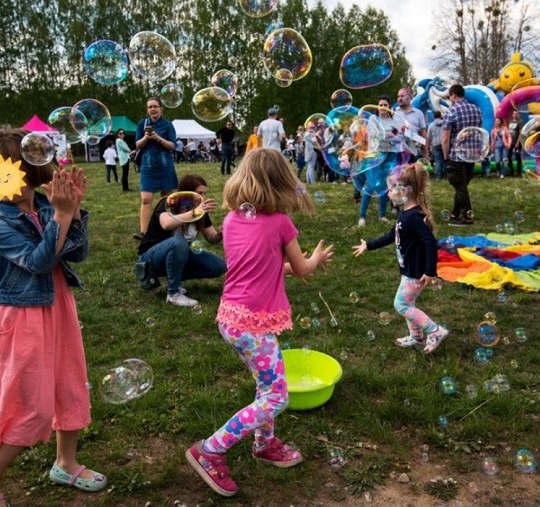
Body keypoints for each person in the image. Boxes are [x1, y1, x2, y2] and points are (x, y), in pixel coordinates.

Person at [0, 127, 105, 507]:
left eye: (3, 167)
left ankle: (66, 462)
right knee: (30, 403)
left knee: (69, 384)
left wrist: (71, 210)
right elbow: (39, 263)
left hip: (58, 305)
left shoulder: (44, 206)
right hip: (22, 315)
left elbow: (76, 254)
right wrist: (62, 213)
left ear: (30, 167)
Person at [185, 148, 334, 497]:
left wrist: (286, 268)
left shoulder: (232, 220)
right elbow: (302, 269)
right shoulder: (282, 223)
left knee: (267, 386)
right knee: (277, 397)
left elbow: (253, 264)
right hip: (254, 324)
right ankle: (210, 449)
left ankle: (264, 443)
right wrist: (315, 259)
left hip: (232, 318)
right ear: (282, 183)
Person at [352, 163, 449, 351]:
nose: (387, 193)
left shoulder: (413, 217)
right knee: (408, 303)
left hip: (417, 271)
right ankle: (417, 338)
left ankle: (434, 330)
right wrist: (368, 245)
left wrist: (430, 271)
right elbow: (391, 235)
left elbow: (430, 242)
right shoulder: (405, 214)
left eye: (391, 189)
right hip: (409, 268)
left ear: (405, 191)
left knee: (401, 304)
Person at [137, 174, 226, 307]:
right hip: (150, 258)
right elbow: (166, 224)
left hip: (177, 253)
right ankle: (173, 293)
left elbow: (212, 238)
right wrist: (195, 212)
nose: (203, 198)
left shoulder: (199, 210)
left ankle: (175, 279)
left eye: (204, 193)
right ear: (187, 193)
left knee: (219, 266)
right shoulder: (168, 203)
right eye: (199, 193)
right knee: (179, 242)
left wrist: (223, 232)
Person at [135, 97, 178, 241]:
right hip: (147, 165)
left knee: (166, 198)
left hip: (165, 164)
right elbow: (138, 145)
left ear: (161, 108)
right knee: (146, 199)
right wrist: (147, 137)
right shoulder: (142, 124)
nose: (153, 109)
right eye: (150, 107)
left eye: (155, 106)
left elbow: (172, 146)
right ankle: (144, 232)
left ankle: (167, 228)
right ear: (147, 110)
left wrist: (158, 138)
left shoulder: (168, 125)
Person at [441, 84, 483, 226]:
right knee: (462, 185)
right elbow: (479, 131)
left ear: (453, 95)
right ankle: (454, 213)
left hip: (457, 155)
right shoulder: (476, 109)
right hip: (472, 155)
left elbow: (445, 138)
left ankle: (467, 217)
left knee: (460, 186)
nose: (450, 99)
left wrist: (445, 156)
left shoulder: (451, 111)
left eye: (449, 96)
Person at [357, 96, 401, 227]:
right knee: (371, 185)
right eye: (380, 104)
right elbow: (371, 135)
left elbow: (399, 138)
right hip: (375, 155)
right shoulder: (373, 119)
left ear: (389, 107)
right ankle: (362, 216)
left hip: (390, 155)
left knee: (384, 186)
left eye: (385, 104)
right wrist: (385, 135)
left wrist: (393, 136)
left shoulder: (394, 120)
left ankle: (382, 215)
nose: (382, 107)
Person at [394, 87, 427, 162]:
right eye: (398, 96)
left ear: (410, 97)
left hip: (414, 152)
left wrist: (426, 153)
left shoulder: (418, 113)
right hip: (398, 152)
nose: (399, 98)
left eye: (402, 96)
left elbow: (423, 133)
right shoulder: (393, 113)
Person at [427, 111, 445, 180]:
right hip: (444, 143)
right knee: (445, 159)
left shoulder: (431, 125)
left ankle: (438, 176)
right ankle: (446, 174)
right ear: (440, 116)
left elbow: (429, 137)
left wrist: (428, 147)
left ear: (433, 116)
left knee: (438, 160)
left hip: (435, 145)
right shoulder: (445, 124)